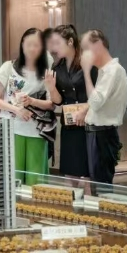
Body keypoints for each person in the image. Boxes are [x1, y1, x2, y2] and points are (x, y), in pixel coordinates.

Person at [0, 28, 54, 186]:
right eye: (28, 44)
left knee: (36, 181)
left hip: (37, 131)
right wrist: (16, 110)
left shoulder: (46, 72)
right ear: (22, 45)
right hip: (11, 129)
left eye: (37, 45)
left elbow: (51, 104)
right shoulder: (8, 67)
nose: (32, 49)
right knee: (12, 179)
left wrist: (32, 101)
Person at [45, 24, 97, 183]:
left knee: (89, 176)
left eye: (57, 43)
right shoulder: (57, 67)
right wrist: (51, 88)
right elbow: (58, 101)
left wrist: (86, 109)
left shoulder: (88, 62)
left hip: (89, 124)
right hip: (69, 126)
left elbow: (99, 93)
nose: (54, 48)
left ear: (70, 42)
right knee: (70, 175)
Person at [80, 29, 127, 190]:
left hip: (103, 134)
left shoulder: (113, 70)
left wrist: (86, 72)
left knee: (101, 187)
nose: (84, 54)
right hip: (97, 133)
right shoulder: (105, 70)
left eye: (86, 49)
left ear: (98, 45)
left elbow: (96, 101)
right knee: (97, 185)